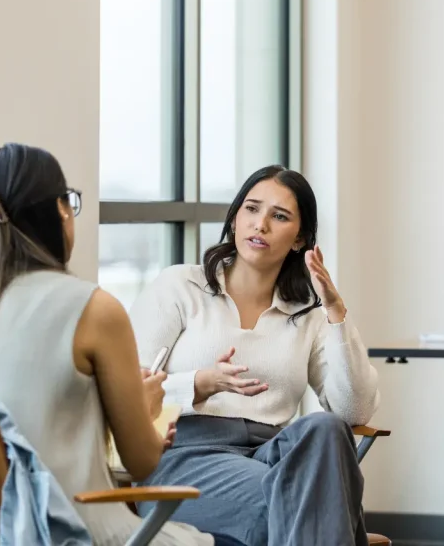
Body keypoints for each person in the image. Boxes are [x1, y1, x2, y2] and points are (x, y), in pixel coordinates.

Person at [0, 143, 212, 546]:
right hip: (78, 531)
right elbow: (142, 461)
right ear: (59, 211)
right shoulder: (93, 309)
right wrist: (145, 407)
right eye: (69, 202)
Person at [129, 165, 381, 546]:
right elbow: (127, 391)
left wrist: (336, 314)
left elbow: (355, 412)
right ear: (234, 220)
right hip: (184, 455)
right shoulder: (180, 287)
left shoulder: (307, 315)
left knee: (326, 428)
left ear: (300, 239)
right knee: (310, 499)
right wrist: (197, 384)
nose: (260, 224)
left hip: (269, 454)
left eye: (279, 216)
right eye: (251, 209)